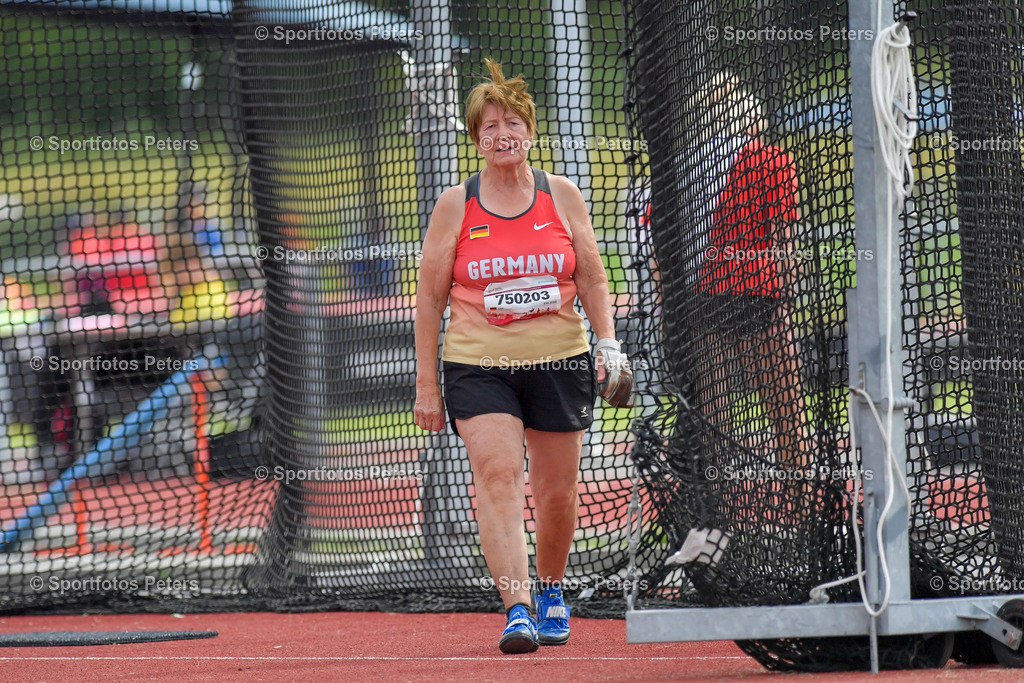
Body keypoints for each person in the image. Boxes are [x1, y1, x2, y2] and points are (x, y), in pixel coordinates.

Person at [413, 58, 628, 654]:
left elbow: (590, 274)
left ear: (530, 133)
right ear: (476, 139)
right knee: (498, 475)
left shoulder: (562, 195)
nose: (501, 134)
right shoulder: (456, 203)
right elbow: (430, 300)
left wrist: (607, 343)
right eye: (488, 127)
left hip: (559, 360)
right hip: (477, 364)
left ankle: (553, 588)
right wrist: (427, 385)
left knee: (556, 493)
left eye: (511, 123)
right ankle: (518, 607)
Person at [695, 75, 809, 508]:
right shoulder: (772, 159)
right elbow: (782, 236)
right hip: (760, 290)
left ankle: (717, 510)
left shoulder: (695, 162)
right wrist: (788, 288)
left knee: (714, 412)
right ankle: (801, 504)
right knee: (785, 409)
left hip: (708, 291)